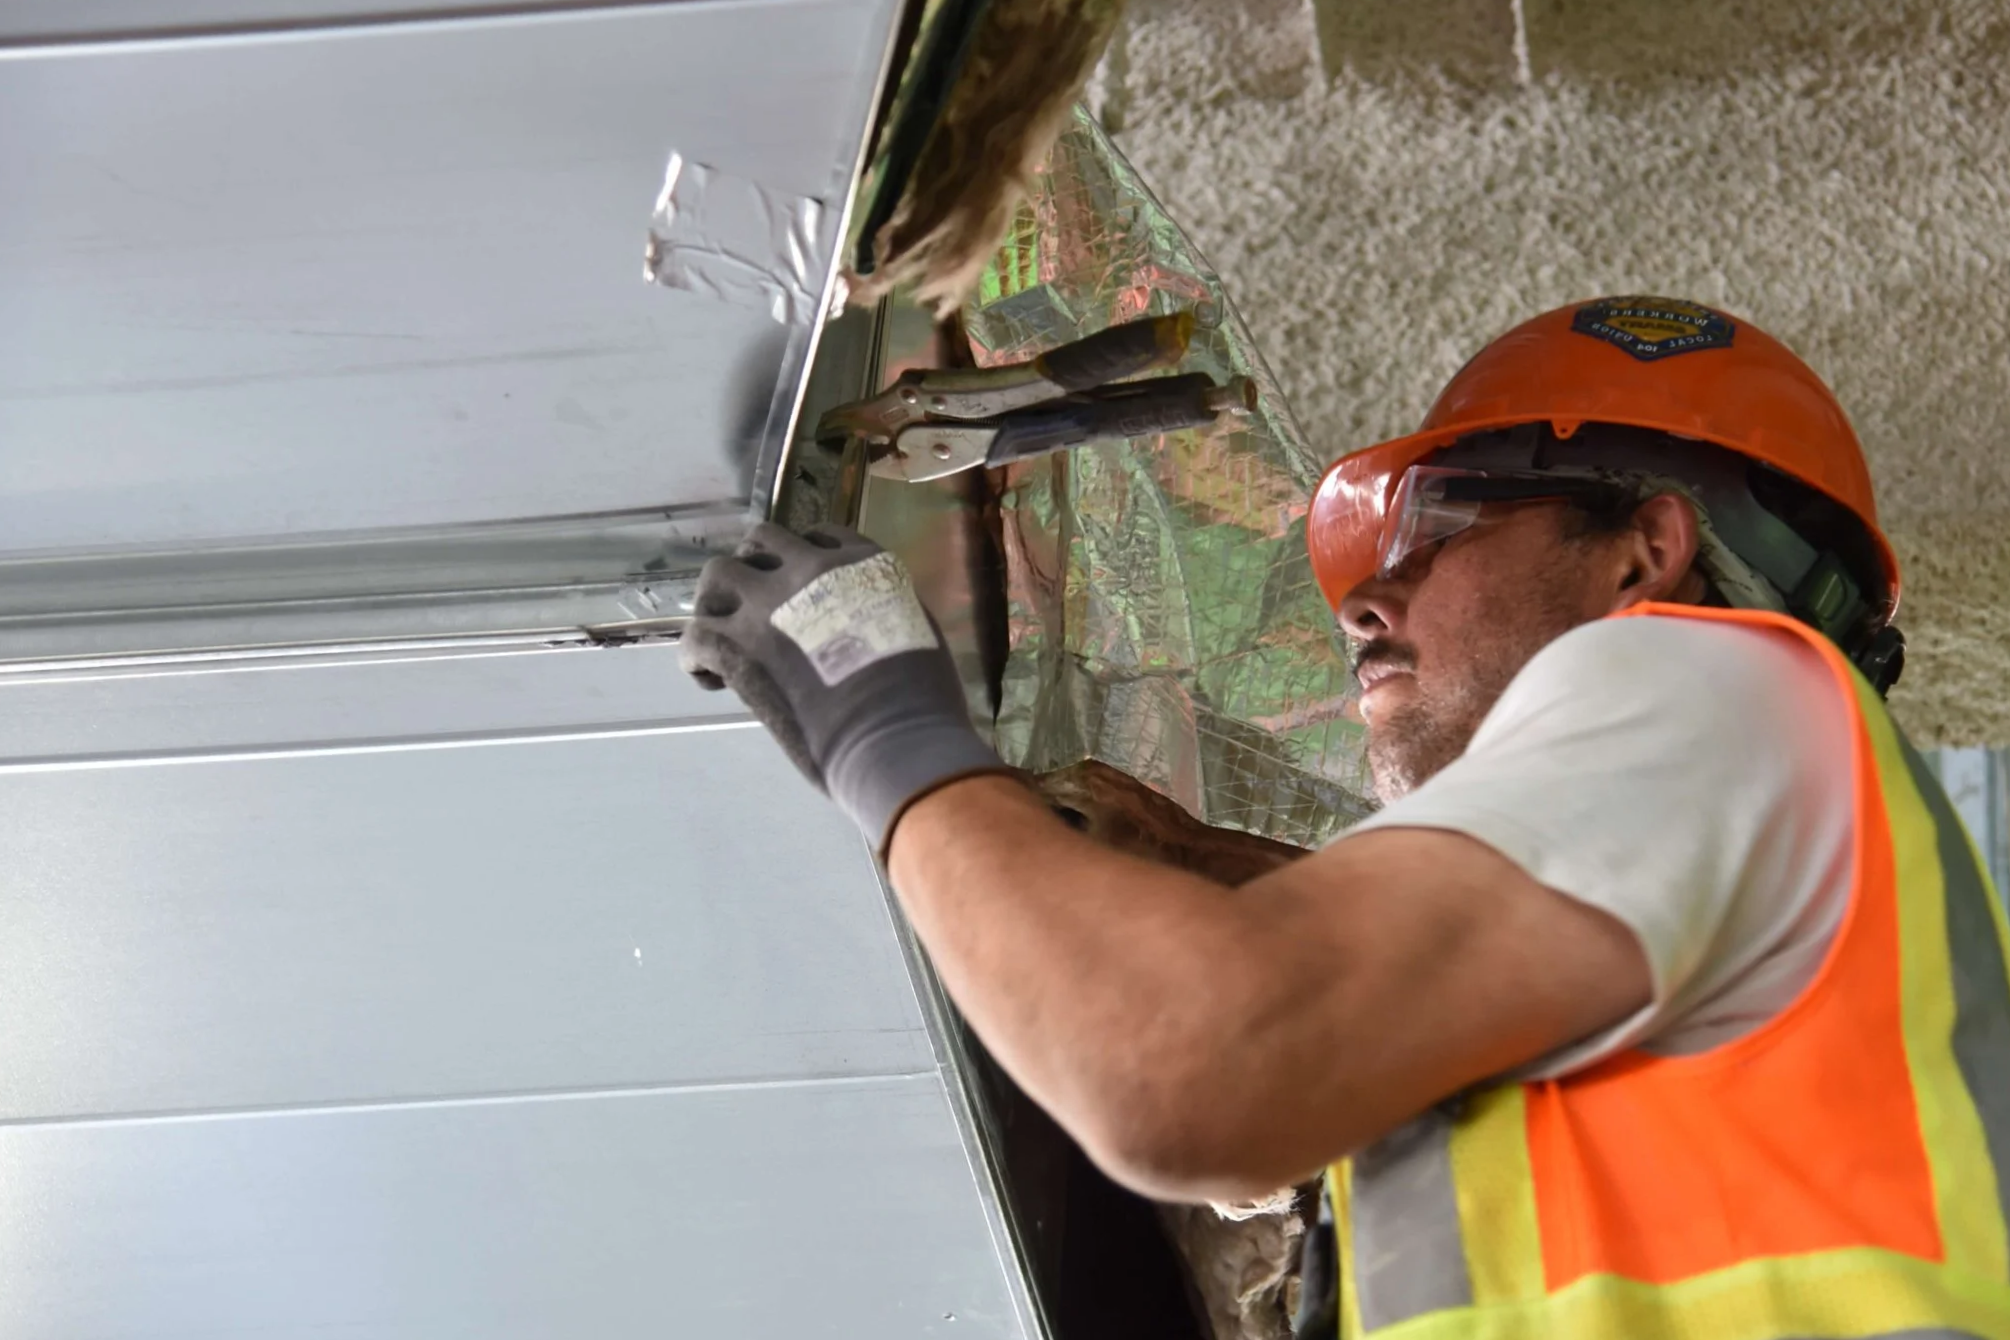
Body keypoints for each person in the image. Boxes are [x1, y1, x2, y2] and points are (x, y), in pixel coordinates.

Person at [682, 295, 2010, 1338]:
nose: (1365, 603)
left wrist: (880, 728)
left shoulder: (1704, 681)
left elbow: (1195, 1071)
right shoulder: (1761, 808)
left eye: (1432, 527)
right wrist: (1215, 879)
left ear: (1640, 552)